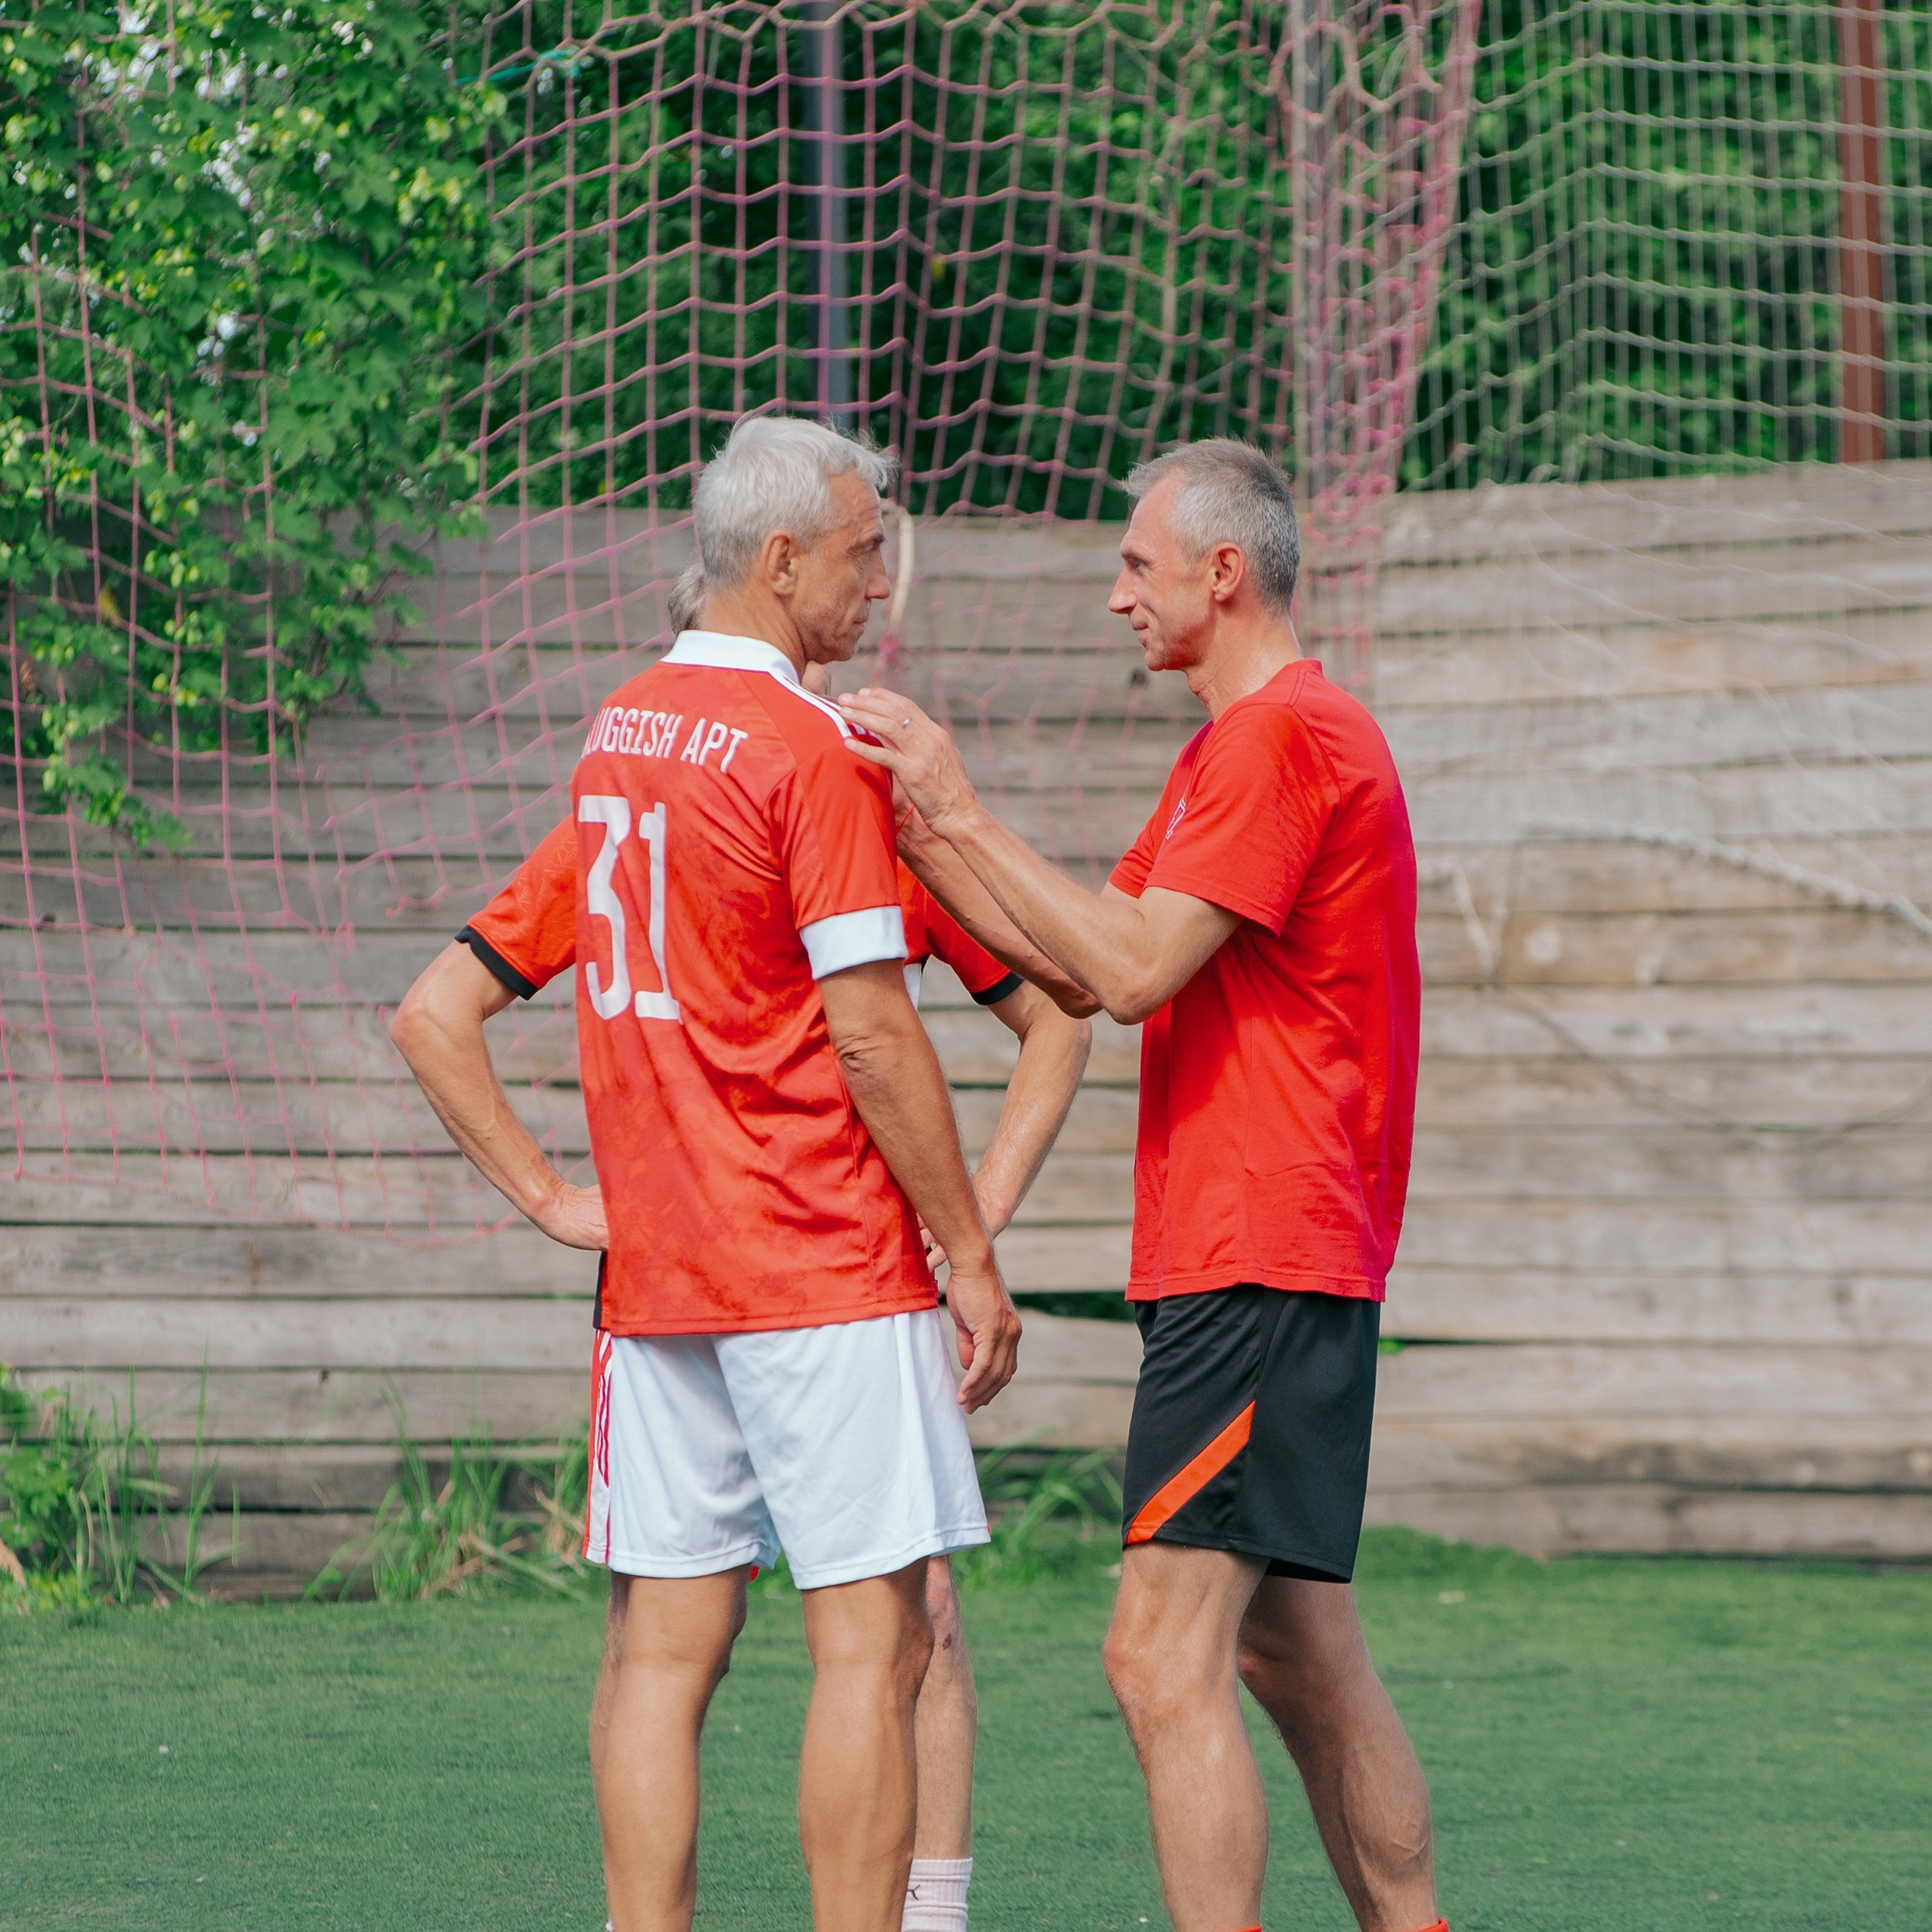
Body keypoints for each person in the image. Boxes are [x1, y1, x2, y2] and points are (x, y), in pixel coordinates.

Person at [389, 414, 1026, 1932]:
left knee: (659, 1657)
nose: (880, 581)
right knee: (872, 1647)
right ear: (783, 557)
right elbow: (872, 1034)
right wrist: (970, 1253)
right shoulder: (809, 747)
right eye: (865, 551)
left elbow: (430, 1012)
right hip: (822, 1262)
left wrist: (562, 1204)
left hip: (659, 1278)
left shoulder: (617, 731)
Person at [838, 438, 1445, 1932]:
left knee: (1157, 1657)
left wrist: (953, 800)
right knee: (1298, 1652)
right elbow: (1072, 957)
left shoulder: (1276, 741)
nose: (1116, 594)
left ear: (1221, 572)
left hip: (1257, 1250)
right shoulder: (1231, 750)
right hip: (1272, 1253)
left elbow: (1125, 970)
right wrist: (913, 828)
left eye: (1135, 564)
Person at [663, 561, 1094, 1932]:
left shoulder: (866, 817)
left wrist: (976, 1219)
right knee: (675, 1637)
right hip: (703, 1274)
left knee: (916, 1615)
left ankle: (930, 1916)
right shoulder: (667, 815)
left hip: (853, 1276)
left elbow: (1061, 1014)